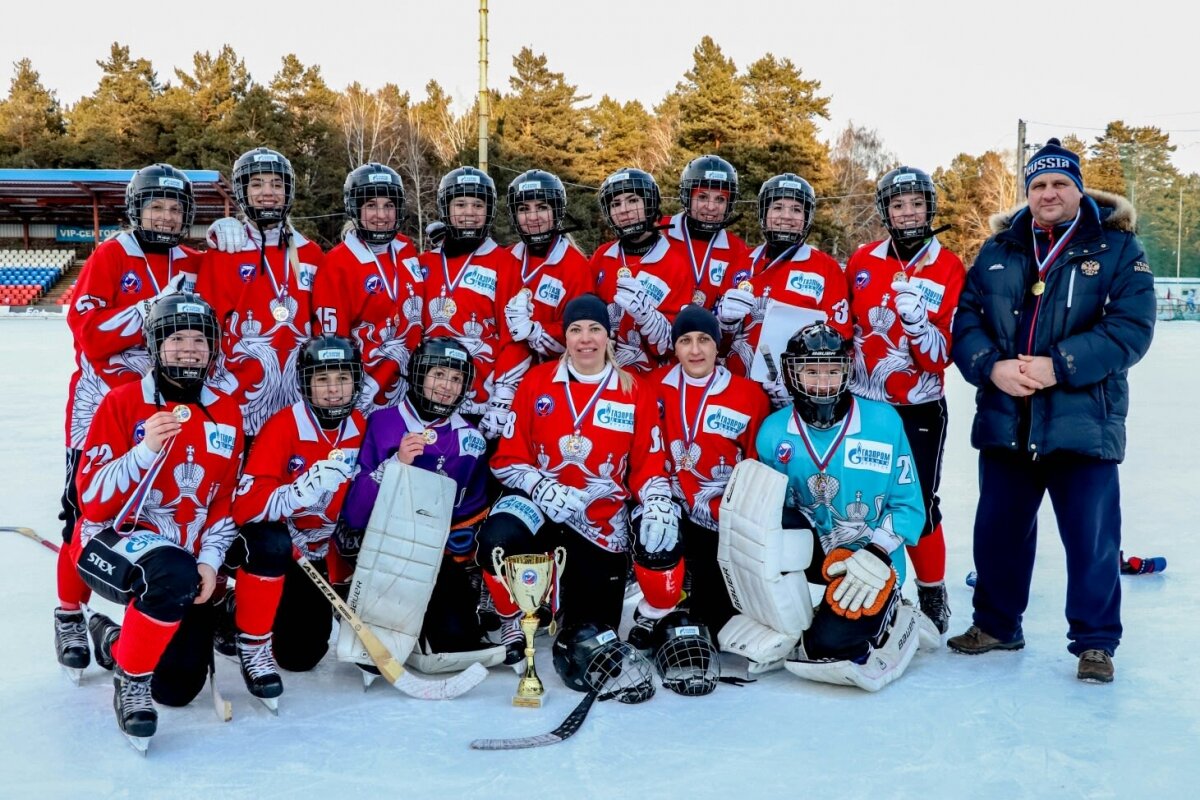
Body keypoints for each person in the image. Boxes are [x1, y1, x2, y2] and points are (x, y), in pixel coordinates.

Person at [948, 138, 1156, 683]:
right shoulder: (999, 250)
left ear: (1079, 188)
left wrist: (1057, 365)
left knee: (1091, 537)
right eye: (1038, 184)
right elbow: (966, 320)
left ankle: (1094, 643)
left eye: (1060, 183)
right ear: (1027, 193)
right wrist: (990, 366)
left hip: (1082, 422)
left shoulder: (1117, 250)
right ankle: (996, 625)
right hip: (1006, 419)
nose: (1048, 193)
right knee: (997, 532)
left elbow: (1131, 331)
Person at [72, 294, 246, 749]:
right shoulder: (123, 402)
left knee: (177, 688)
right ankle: (130, 683)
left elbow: (224, 501)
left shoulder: (227, 411)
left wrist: (210, 561)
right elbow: (91, 501)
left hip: (186, 559)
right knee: (170, 574)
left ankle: (113, 640)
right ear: (155, 344)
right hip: (112, 541)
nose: (189, 349)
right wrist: (143, 450)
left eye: (199, 339)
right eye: (177, 338)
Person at [55, 163, 200, 678]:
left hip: (162, 406)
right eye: (156, 206)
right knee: (85, 514)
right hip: (104, 405)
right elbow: (90, 333)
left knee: (171, 506)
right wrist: (150, 308)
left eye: (175, 207)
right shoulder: (113, 254)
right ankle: (70, 613)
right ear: (136, 210)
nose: (166, 215)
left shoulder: (192, 259)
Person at [728, 322, 925, 690]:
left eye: (832, 371)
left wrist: (878, 553)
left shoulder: (883, 422)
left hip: (870, 562)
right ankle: (808, 610)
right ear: (792, 373)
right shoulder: (773, 431)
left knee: (828, 646)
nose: (823, 383)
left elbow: (909, 507)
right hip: (815, 555)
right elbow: (767, 515)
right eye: (811, 371)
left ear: (846, 371)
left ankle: (897, 612)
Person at [479, 294, 673, 659]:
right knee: (498, 539)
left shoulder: (634, 390)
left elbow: (648, 462)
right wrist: (539, 485)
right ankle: (513, 614)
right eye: (576, 330)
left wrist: (657, 498)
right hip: (541, 509)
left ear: (609, 337)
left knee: (591, 638)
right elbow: (506, 458)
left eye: (595, 329)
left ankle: (565, 598)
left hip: (599, 522)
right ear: (565, 337)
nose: (586, 339)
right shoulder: (537, 381)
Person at [845, 166, 966, 634]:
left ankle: (932, 591)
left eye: (916, 203)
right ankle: (873, 588)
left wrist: (919, 326)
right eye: (898, 205)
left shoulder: (948, 265)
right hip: (864, 403)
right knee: (866, 501)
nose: (908, 212)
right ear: (885, 212)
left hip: (918, 404)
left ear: (930, 207)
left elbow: (940, 358)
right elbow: (847, 331)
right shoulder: (862, 260)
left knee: (919, 501)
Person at [338, 337, 496, 664]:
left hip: (434, 561)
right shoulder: (379, 423)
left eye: (456, 379)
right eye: (439, 374)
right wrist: (394, 467)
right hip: (381, 556)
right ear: (419, 374)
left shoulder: (472, 441)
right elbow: (354, 513)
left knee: (456, 641)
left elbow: (470, 518)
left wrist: (458, 556)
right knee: (370, 656)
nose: (446, 387)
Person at [227, 335, 366, 697]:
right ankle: (234, 610)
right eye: (322, 380)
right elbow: (244, 508)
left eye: (342, 378)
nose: (333, 390)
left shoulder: (361, 428)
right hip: (283, 550)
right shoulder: (283, 426)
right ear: (306, 382)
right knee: (268, 543)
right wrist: (296, 493)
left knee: (300, 655)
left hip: (317, 554)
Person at [631, 305, 769, 649]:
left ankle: (693, 601)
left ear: (717, 345)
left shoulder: (748, 395)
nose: (695, 350)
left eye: (704, 340)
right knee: (654, 538)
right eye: (686, 340)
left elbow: (756, 464)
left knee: (713, 624)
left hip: (720, 517)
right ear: (674, 347)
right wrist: (655, 497)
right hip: (671, 505)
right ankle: (654, 609)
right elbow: (642, 451)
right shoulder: (653, 386)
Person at [198, 146, 324, 438]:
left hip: (296, 407)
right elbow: (207, 330)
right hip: (236, 406)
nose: (268, 192)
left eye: (277, 184)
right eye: (257, 184)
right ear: (242, 191)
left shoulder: (311, 254)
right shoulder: (224, 252)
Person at [717, 173, 851, 408]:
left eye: (797, 209)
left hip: (794, 399)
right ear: (764, 214)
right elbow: (718, 343)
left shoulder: (826, 268)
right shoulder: (741, 263)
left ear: (807, 217)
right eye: (778, 207)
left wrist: (801, 385)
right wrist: (723, 322)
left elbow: (839, 342)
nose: (786, 217)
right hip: (737, 393)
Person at [416, 166, 527, 440]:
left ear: (489, 211)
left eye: (478, 205)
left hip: (480, 396)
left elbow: (515, 335)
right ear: (446, 207)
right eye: (460, 204)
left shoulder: (505, 263)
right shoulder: (424, 262)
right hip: (427, 392)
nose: (469, 212)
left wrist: (503, 395)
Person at [313, 163, 424, 416]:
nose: (382, 215)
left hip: (409, 394)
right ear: (355, 209)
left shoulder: (406, 248)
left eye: (389, 205)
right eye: (371, 205)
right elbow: (332, 342)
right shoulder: (337, 263)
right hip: (364, 397)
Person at [590, 168, 694, 373]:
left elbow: (674, 345)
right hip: (605, 377)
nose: (624, 210)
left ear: (650, 204)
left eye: (632, 200)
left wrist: (648, 317)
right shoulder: (601, 257)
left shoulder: (675, 263)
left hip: (653, 380)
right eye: (615, 204)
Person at [502, 169, 594, 364]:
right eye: (524, 209)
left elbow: (579, 331)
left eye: (542, 207)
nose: (533, 217)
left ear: (557, 211)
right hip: (504, 375)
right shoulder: (505, 258)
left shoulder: (575, 266)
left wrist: (536, 331)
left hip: (552, 377)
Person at [663, 155, 749, 309]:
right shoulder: (661, 231)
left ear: (729, 204)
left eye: (720, 199)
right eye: (702, 197)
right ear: (687, 197)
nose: (711, 207)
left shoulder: (738, 250)